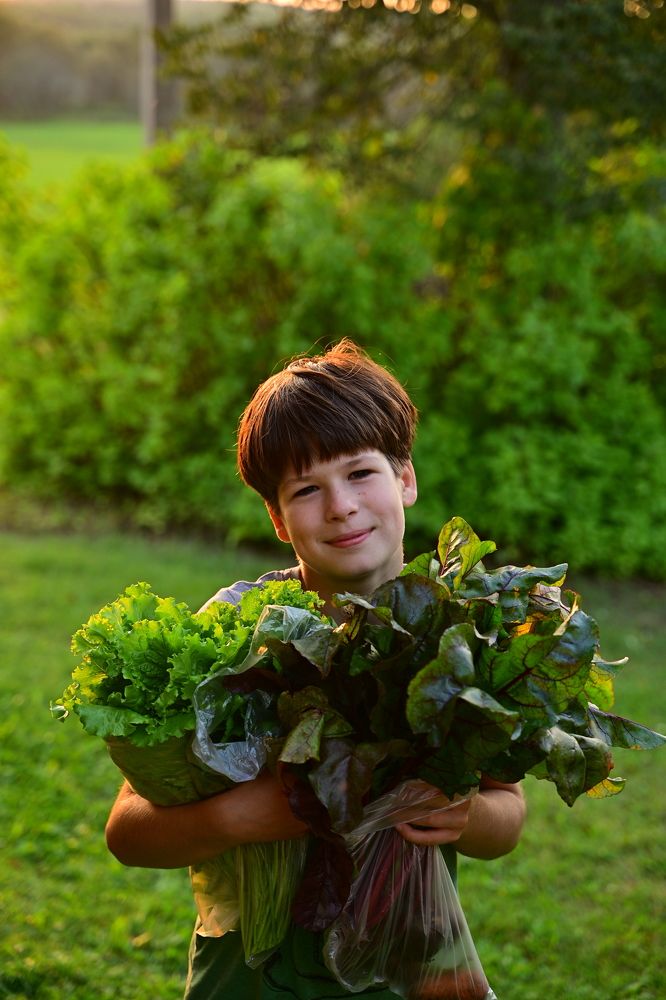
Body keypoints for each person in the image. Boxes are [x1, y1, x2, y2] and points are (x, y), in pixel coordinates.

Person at [105, 339, 526, 999]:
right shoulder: (235, 629)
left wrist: (465, 817)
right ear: (276, 517)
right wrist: (236, 818)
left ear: (405, 479)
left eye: (361, 473)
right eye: (307, 489)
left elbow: (509, 816)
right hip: (247, 974)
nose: (341, 506)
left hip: (404, 963)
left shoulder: (460, 633)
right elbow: (127, 834)